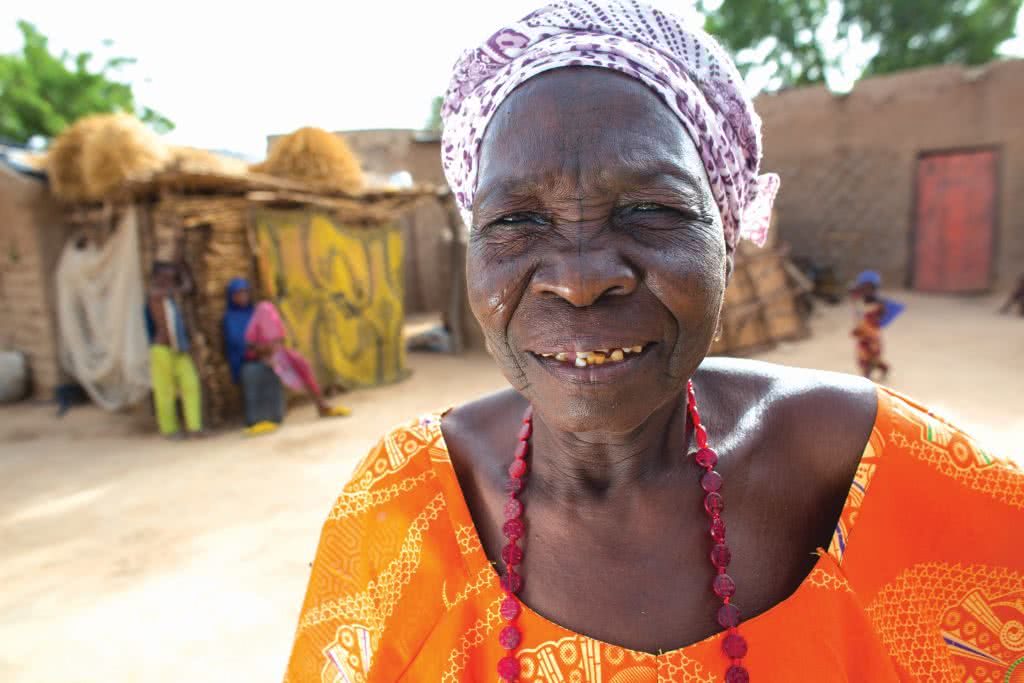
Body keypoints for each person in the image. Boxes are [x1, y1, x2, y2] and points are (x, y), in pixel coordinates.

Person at [283, 3, 1022, 681]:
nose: (578, 280)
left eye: (649, 209)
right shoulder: (410, 504)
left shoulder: (874, 468)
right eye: (515, 220)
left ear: (727, 241)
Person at [244, 300, 351, 423]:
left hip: (279, 356)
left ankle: (321, 404)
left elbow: (279, 341)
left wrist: (276, 351)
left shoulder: (272, 323)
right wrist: (266, 354)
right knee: (280, 372)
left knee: (302, 365)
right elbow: (252, 349)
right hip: (263, 359)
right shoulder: (253, 330)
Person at [144, 261, 202, 439]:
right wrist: (183, 271)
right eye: (164, 277)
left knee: (191, 385)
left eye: (171, 277)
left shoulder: (169, 296)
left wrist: (182, 269)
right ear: (156, 278)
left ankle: (194, 428)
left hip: (179, 349)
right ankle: (169, 430)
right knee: (165, 392)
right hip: (162, 350)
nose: (168, 280)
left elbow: (186, 287)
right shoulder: (156, 294)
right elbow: (186, 287)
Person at [222, 278, 286, 435]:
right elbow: (237, 342)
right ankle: (255, 420)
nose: (243, 297)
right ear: (232, 296)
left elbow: (272, 333)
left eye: (245, 292)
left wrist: (269, 352)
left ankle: (275, 417)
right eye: (238, 294)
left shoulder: (257, 312)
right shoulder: (230, 317)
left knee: (273, 374)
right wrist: (258, 351)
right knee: (253, 379)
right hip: (247, 360)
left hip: (267, 356)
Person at [849, 270, 904, 381]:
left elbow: (877, 319)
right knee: (863, 357)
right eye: (864, 287)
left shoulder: (879, 303)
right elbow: (858, 315)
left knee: (873, 357)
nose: (866, 290)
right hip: (863, 335)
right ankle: (870, 374)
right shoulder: (860, 300)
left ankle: (872, 375)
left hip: (873, 337)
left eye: (869, 287)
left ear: (874, 288)